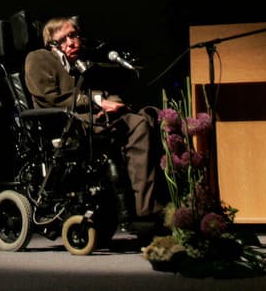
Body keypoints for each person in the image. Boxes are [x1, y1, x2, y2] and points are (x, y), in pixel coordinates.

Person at [23, 15, 163, 226]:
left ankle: (146, 209)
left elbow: (101, 92)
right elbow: (50, 97)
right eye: (64, 38)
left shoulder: (82, 62)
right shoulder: (39, 58)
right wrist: (97, 102)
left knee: (146, 121)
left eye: (74, 35)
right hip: (64, 125)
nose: (71, 42)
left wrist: (108, 103)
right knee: (136, 124)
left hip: (91, 119)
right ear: (51, 43)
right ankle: (144, 211)